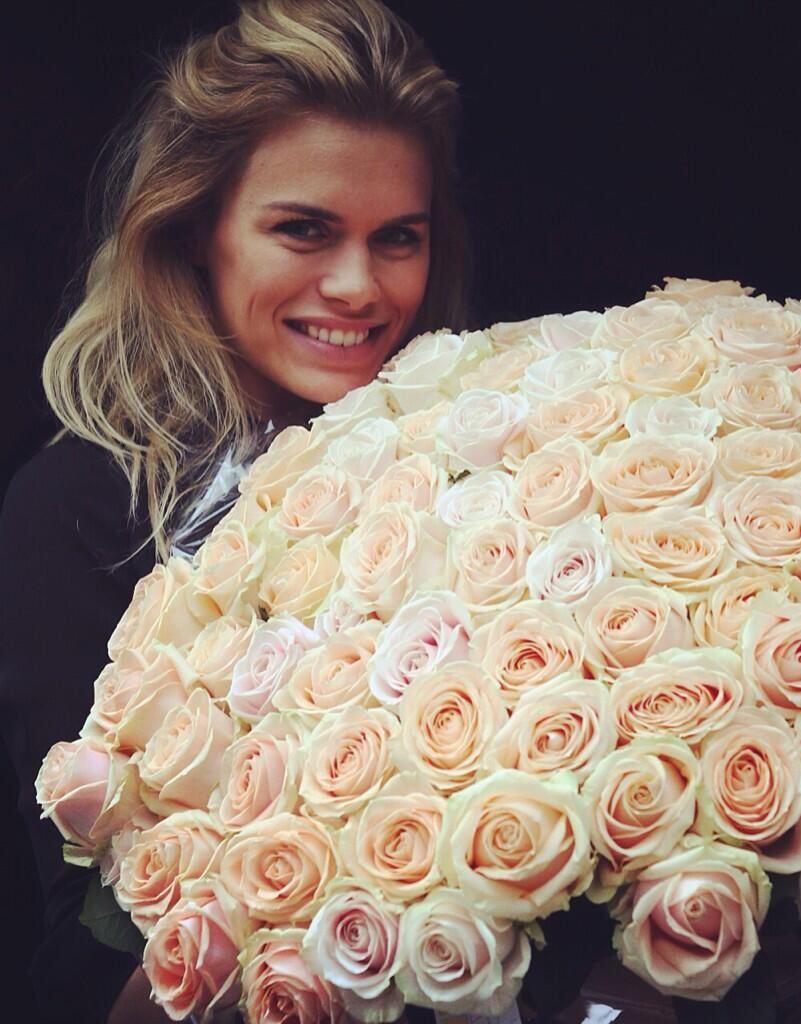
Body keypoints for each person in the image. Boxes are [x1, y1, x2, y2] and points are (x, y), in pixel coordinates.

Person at [0, 1, 469, 1020]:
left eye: (398, 237)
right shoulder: (73, 514)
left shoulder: (475, 464)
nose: (358, 286)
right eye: (304, 230)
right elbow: (82, 965)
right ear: (193, 229)